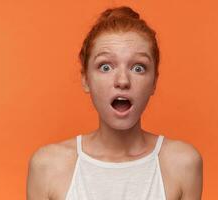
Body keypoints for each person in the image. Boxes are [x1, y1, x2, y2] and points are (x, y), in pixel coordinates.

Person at [27, 6, 203, 200]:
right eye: (105, 66)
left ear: (154, 82)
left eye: (138, 68)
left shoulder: (182, 164)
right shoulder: (47, 166)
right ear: (86, 79)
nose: (122, 81)